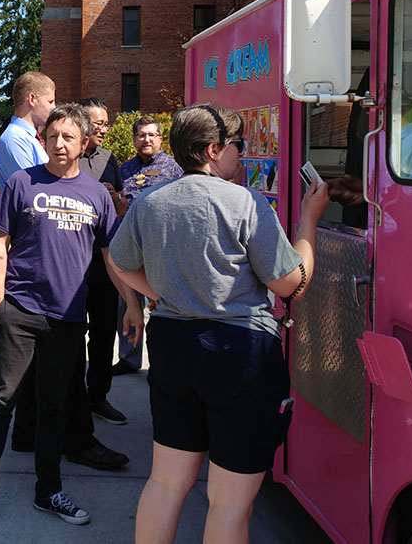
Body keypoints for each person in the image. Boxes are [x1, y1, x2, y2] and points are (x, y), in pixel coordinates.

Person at [108, 103, 329, 544]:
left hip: (172, 347)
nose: (241, 155)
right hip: (239, 354)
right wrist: (309, 220)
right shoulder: (243, 201)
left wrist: (158, 294)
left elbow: (118, 260)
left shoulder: (151, 201)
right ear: (213, 150)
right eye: (237, 146)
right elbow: (292, 285)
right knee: (229, 503)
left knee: (166, 483)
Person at [0, 103, 143, 532]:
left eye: (68, 137)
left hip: (67, 318)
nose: (59, 144)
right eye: (52, 136)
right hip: (22, 312)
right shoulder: (22, 183)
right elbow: (0, 244)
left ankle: (48, 490)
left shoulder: (99, 194)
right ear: (43, 139)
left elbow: (111, 258)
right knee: (1, 401)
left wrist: (133, 303)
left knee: (54, 405)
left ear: (85, 143)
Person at [113, 115, 182, 375]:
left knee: (161, 306)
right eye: (141, 135)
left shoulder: (174, 168)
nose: (146, 139)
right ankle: (129, 359)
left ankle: (160, 363)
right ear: (134, 139)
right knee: (128, 303)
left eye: (152, 135)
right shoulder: (124, 170)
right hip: (131, 245)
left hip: (160, 247)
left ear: (160, 139)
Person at [76, 98, 130, 425]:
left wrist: (114, 198)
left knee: (104, 329)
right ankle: (69, 397)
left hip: (105, 258)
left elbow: (123, 208)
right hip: (72, 260)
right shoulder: (64, 159)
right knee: (68, 331)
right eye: (98, 123)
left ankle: (97, 396)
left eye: (106, 123)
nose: (104, 129)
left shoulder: (111, 161)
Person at [0, 71, 55, 187]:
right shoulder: (14, 139)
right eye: (50, 102)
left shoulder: (29, 138)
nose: (54, 107)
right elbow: (31, 189)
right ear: (32, 99)